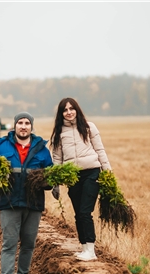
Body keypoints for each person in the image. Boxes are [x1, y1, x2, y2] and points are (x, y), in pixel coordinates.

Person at [0, 111, 54, 274]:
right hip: (10, 203)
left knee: (29, 243)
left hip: (33, 203)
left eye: (27, 123)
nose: (23, 126)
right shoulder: (0, 146)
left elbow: (50, 174)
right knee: (9, 243)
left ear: (32, 127)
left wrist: (48, 183)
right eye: (20, 123)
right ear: (14, 126)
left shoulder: (41, 149)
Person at [49, 97, 112, 261]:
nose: (69, 112)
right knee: (78, 213)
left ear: (77, 109)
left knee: (85, 211)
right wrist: (55, 182)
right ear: (61, 114)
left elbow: (100, 149)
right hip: (73, 176)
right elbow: (57, 158)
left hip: (92, 172)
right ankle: (84, 248)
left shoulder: (89, 127)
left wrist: (107, 172)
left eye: (71, 108)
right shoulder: (59, 132)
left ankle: (91, 251)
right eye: (65, 110)